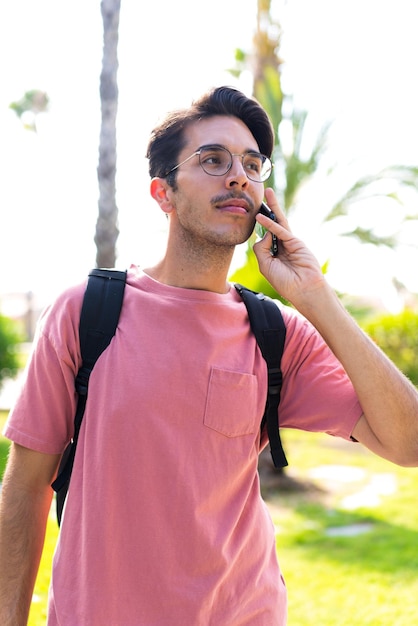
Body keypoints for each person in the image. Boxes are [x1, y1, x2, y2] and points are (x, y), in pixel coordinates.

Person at [1, 85, 418, 626]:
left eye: (251, 163)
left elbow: (408, 442)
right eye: (213, 160)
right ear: (163, 192)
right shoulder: (86, 312)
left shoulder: (277, 332)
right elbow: (26, 485)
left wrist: (316, 298)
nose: (238, 176)